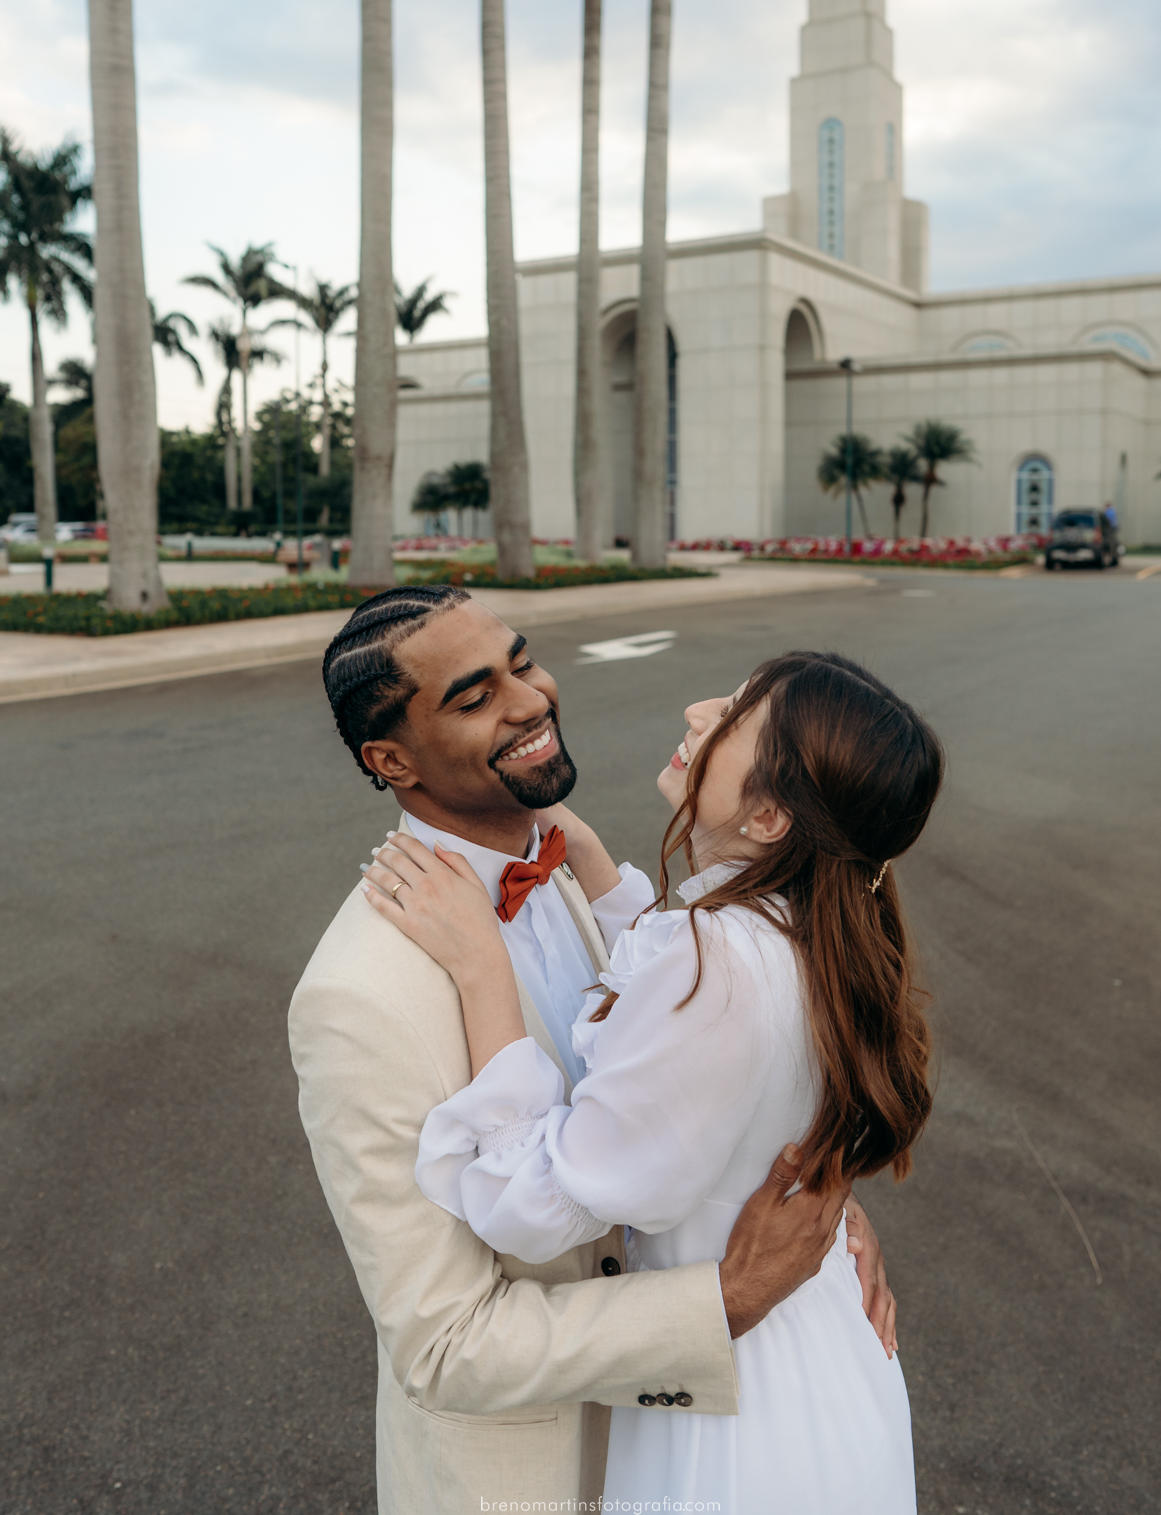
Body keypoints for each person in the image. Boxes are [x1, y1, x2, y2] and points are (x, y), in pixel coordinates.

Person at [291, 588, 896, 1515]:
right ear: (390, 759)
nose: (530, 700)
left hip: (701, 1442)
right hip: (542, 1480)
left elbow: (703, 1069)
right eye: (472, 696)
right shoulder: (359, 996)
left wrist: (811, 1202)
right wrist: (731, 1298)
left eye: (523, 662)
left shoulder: (576, 867)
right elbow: (446, 1345)